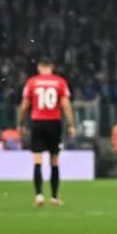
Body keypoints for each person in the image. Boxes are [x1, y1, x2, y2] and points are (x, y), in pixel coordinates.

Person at [18, 58, 76, 206]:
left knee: (37, 160)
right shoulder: (60, 82)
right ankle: (54, 198)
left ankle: (38, 196)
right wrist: (71, 124)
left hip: (37, 122)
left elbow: (25, 105)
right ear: (52, 67)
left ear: (39, 67)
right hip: (54, 123)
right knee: (54, 161)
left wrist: (21, 124)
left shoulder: (32, 82)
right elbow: (65, 104)